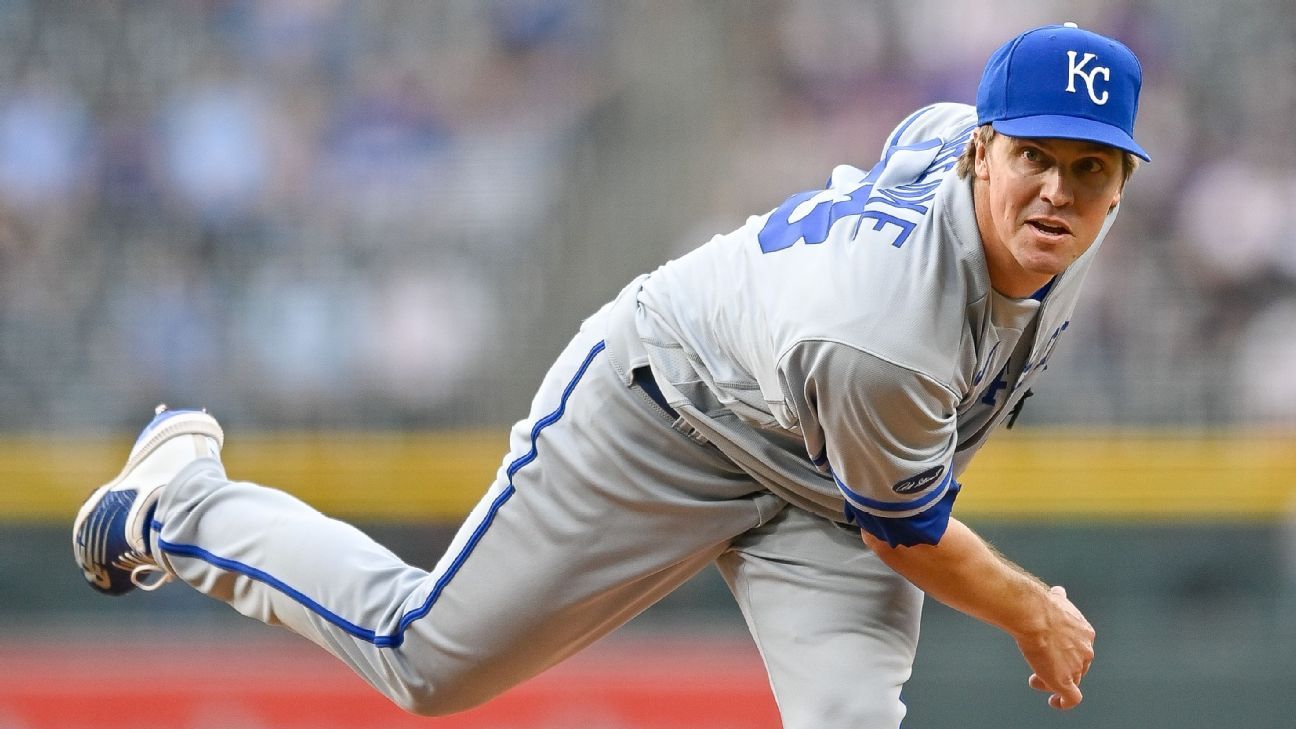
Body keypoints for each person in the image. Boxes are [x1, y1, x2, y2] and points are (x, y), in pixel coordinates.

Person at [73, 23, 1147, 728]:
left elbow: (913, 136)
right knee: (426, 663)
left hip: (823, 471)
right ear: (982, 156)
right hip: (668, 417)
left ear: (1121, 188)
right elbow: (905, 534)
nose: (1055, 189)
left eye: (1087, 166)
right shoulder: (883, 337)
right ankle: (185, 504)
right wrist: (1031, 611)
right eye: (1032, 158)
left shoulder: (976, 168)